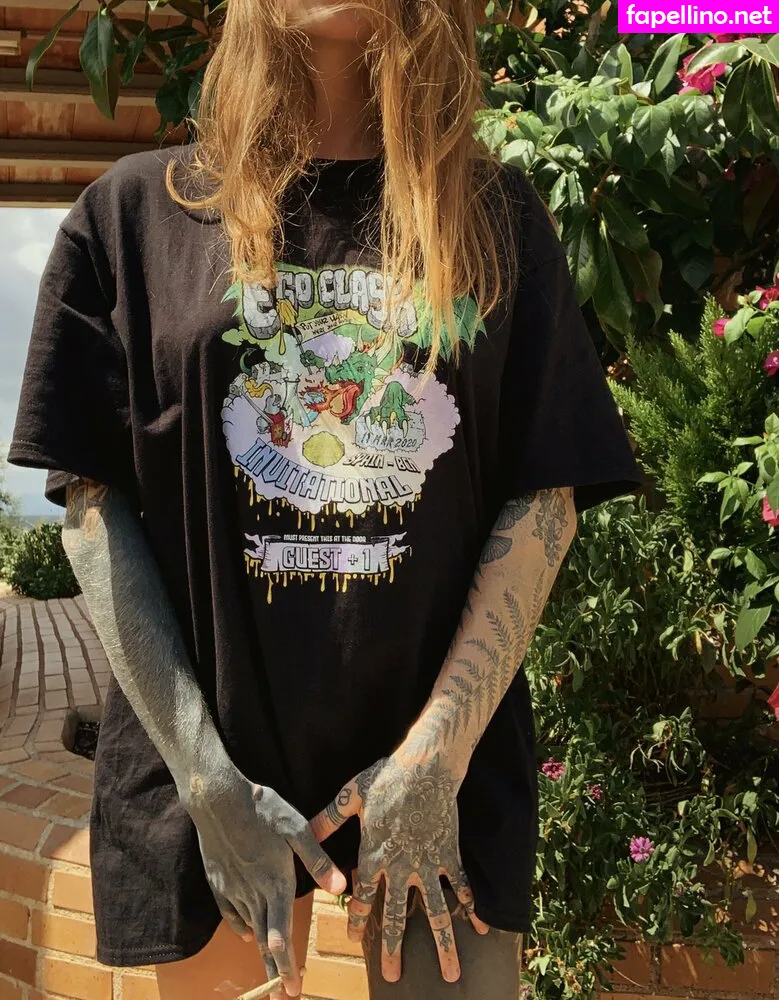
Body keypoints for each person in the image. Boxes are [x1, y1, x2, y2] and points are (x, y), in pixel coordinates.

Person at [8, 0, 644, 996]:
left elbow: (541, 494)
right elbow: (93, 501)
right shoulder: (134, 213)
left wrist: (433, 760)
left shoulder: (494, 217)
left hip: (441, 756)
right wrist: (203, 774)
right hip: (203, 752)